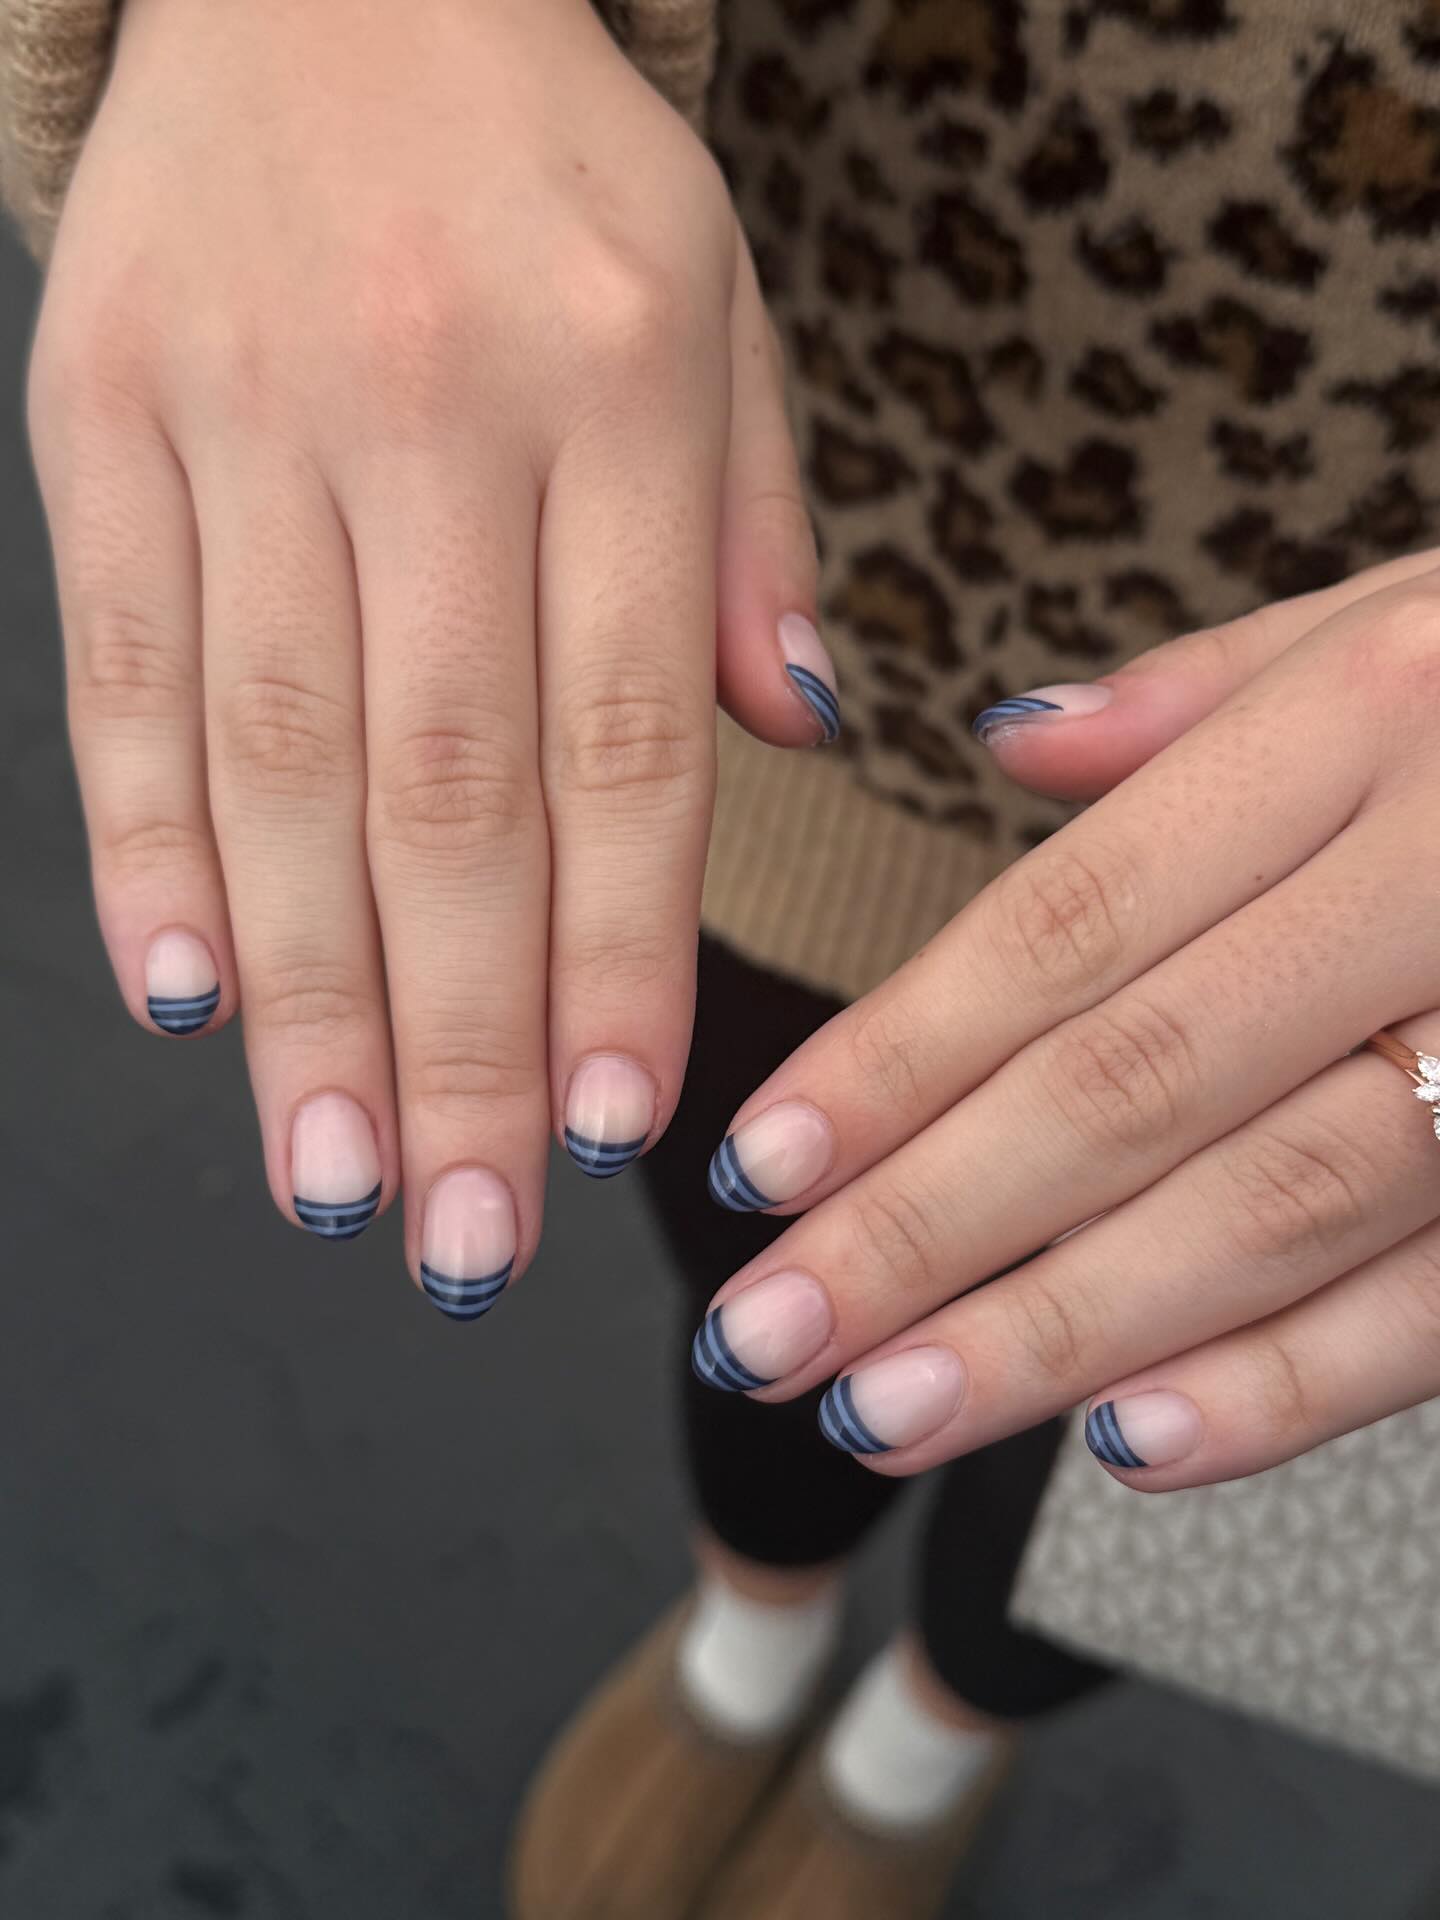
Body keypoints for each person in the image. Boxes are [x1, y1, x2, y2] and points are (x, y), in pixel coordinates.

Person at [9, 1, 1440, 1915]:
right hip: (792, 594)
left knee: (1222, 1397)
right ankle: (748, 1639)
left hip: (1395, 845)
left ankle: (930, 1741)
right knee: (768, 1261)